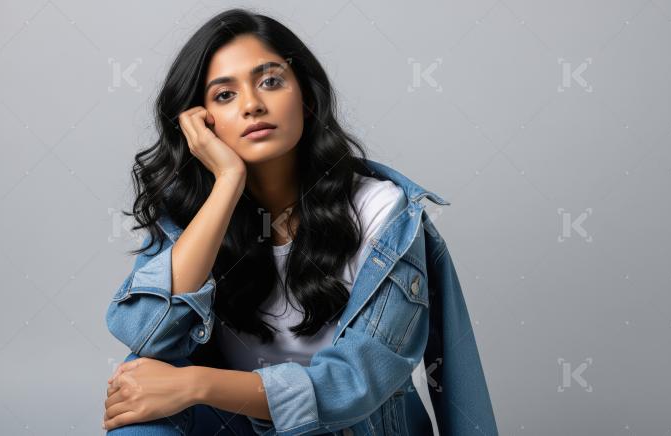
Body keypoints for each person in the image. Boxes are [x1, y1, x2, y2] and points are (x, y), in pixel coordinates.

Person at [103, 7, 497, 436]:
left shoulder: (383, 213)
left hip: (351, 430)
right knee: (140, 416)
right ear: (199, 123)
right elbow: (148, 336)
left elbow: (358, 382)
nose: (252, 105)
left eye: (270, 81)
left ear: (306, 99)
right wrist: (227, 184)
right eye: (224, 95)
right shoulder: (195, 212)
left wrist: (198, 384)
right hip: (238, 427)